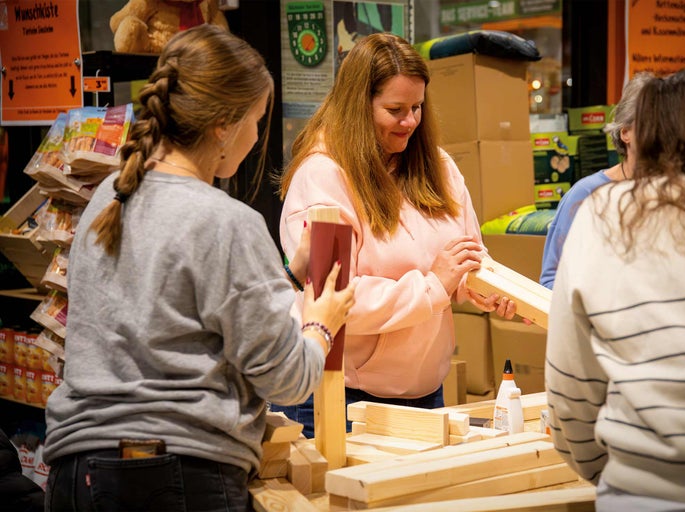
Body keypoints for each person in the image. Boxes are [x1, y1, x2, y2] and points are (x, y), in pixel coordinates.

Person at [43, 25, 355, 511]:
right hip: (172, 477)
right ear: (223, 125)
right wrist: (320, 324)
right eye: (256, 120)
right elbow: (287, 379)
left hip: (75, 473)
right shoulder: (226, 222)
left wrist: (286, 278)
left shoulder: (110, 198)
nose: (257, 135)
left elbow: (174, 322)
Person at [545, 61, 685, 510]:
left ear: (646, 135)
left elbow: (570, 387)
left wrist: (613, 472)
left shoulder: (606, 215)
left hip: (642, 493)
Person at [275, 33, 517, 437]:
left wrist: (481, 288)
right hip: (345, 400)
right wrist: (434, 286)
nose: (410, 121)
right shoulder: (323, 176)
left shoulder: (437, 166)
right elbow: (334, 302)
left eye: (418, 107)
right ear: (358, 106)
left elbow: (466, 256)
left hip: (425, 394)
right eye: (395, 109)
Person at [539, 72, 653, 289]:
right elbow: (550, 280)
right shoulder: (586, 194)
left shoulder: (674, 193)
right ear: (625, 132)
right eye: (651, 122)